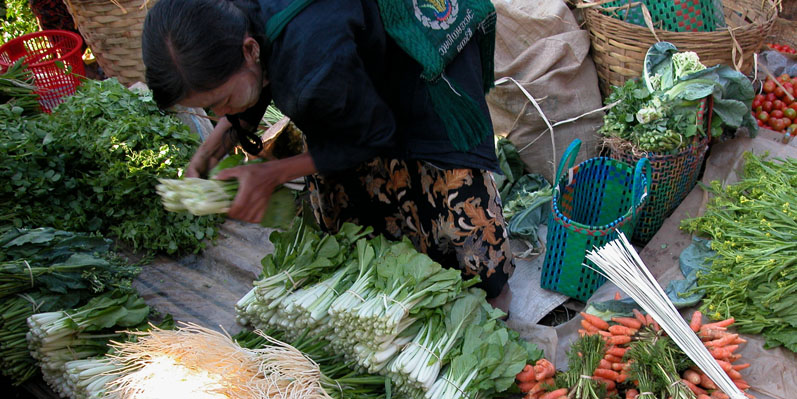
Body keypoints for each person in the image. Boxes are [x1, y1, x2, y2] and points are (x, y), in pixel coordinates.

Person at [142, 0, 514, 311]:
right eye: (207, 108)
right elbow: (249, 83)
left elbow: (372, 136)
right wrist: (206, 154)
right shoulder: (222, 20)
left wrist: (271, 173)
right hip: (346, 37)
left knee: (450, 185)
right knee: (349, 193)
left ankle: (496, 302)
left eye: (221, 102)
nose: (218, 114)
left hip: (414, 42)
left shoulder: (310, 57)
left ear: (251, 49)